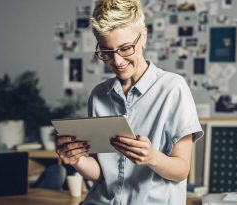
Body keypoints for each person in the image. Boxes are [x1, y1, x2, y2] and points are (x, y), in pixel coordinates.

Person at [56, 0, 203, 204]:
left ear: (143, 37)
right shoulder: (99, 95)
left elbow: (182, 170)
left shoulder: (173, 88)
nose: (117, 61)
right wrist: (76, 159)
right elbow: (102, 174)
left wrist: (152, 157)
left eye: (125, 48)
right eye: (107, 52)